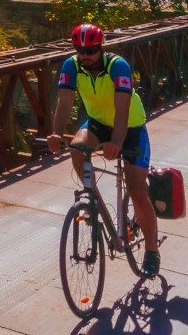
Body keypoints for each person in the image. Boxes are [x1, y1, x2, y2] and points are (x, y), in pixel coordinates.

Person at [47, 23, 161, 277]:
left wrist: (117, 143)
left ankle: (152, 251)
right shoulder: (72, 65)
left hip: (130, 127)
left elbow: (122, 110)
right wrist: (56, 132)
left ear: (101, 47)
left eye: (91, 49)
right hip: (98, 123)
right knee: (77, 148)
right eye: (80, 49)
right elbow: (64, 101)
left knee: (137, 191)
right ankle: (93, 197)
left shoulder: (117, 66)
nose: (85, 55)